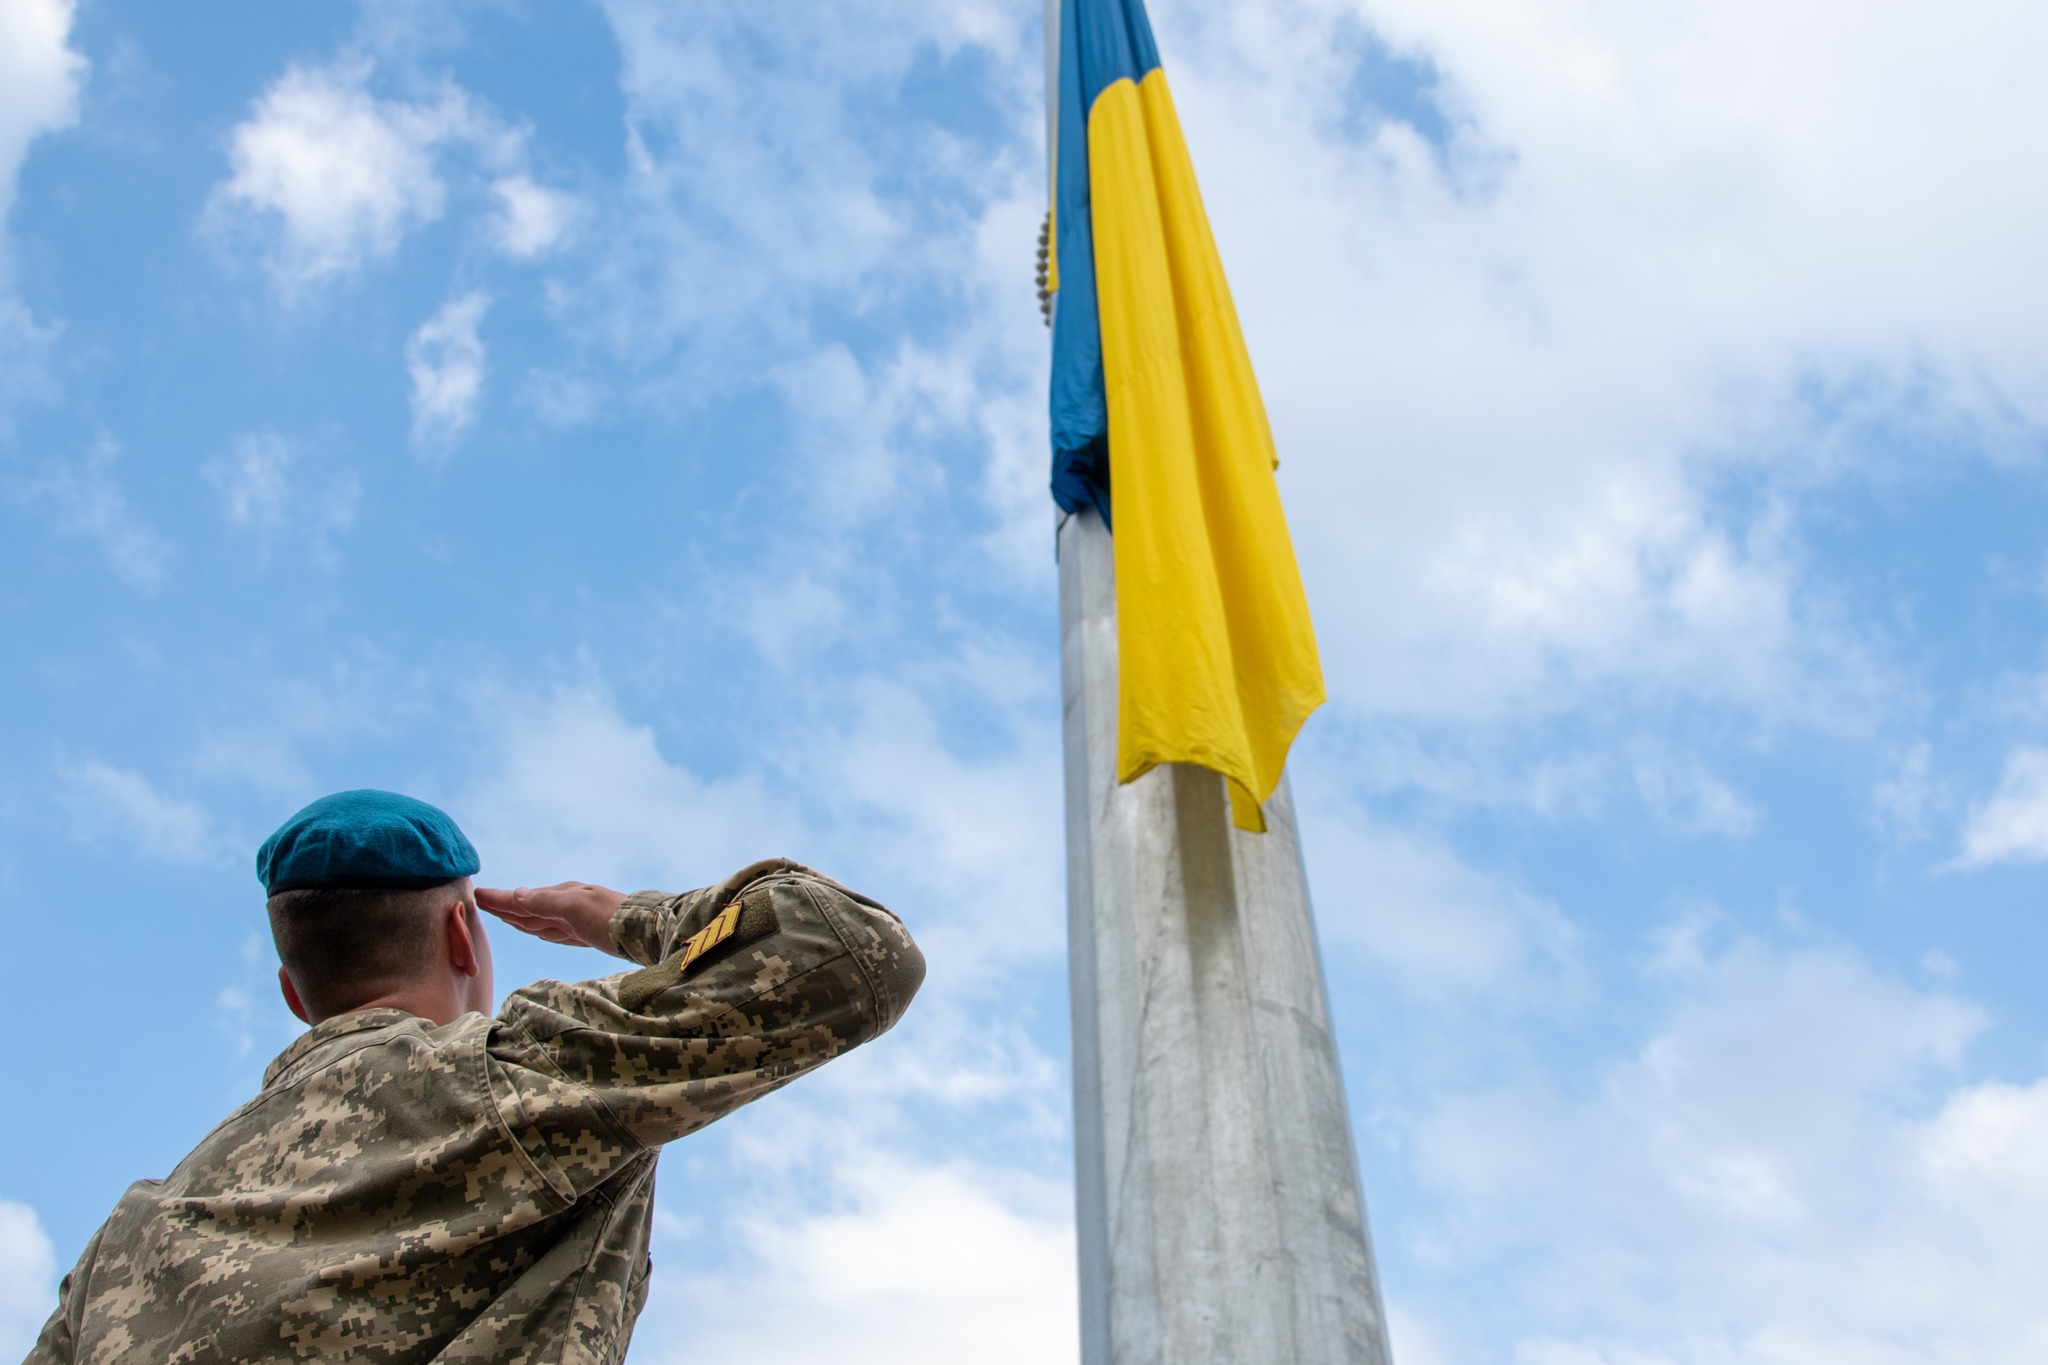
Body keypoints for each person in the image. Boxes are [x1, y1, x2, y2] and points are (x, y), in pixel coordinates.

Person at [24, 789, 926, 1365]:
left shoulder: (127, 1239)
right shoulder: (516, 1080)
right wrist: (622, 917)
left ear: (295, 994)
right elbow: (850, 947)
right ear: (464, 935)